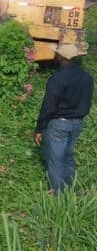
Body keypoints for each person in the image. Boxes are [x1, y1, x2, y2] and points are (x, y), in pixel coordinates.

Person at [34, 44, 93, 193]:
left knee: (56, 159)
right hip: (78, 123)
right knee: (68, 156)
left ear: (62, 57)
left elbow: (49, 106)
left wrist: (39, 128)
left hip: (59, 123)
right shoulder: (87, 77)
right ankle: (71, 190)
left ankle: (58, 195)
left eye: (57, 54)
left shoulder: (58, 78)